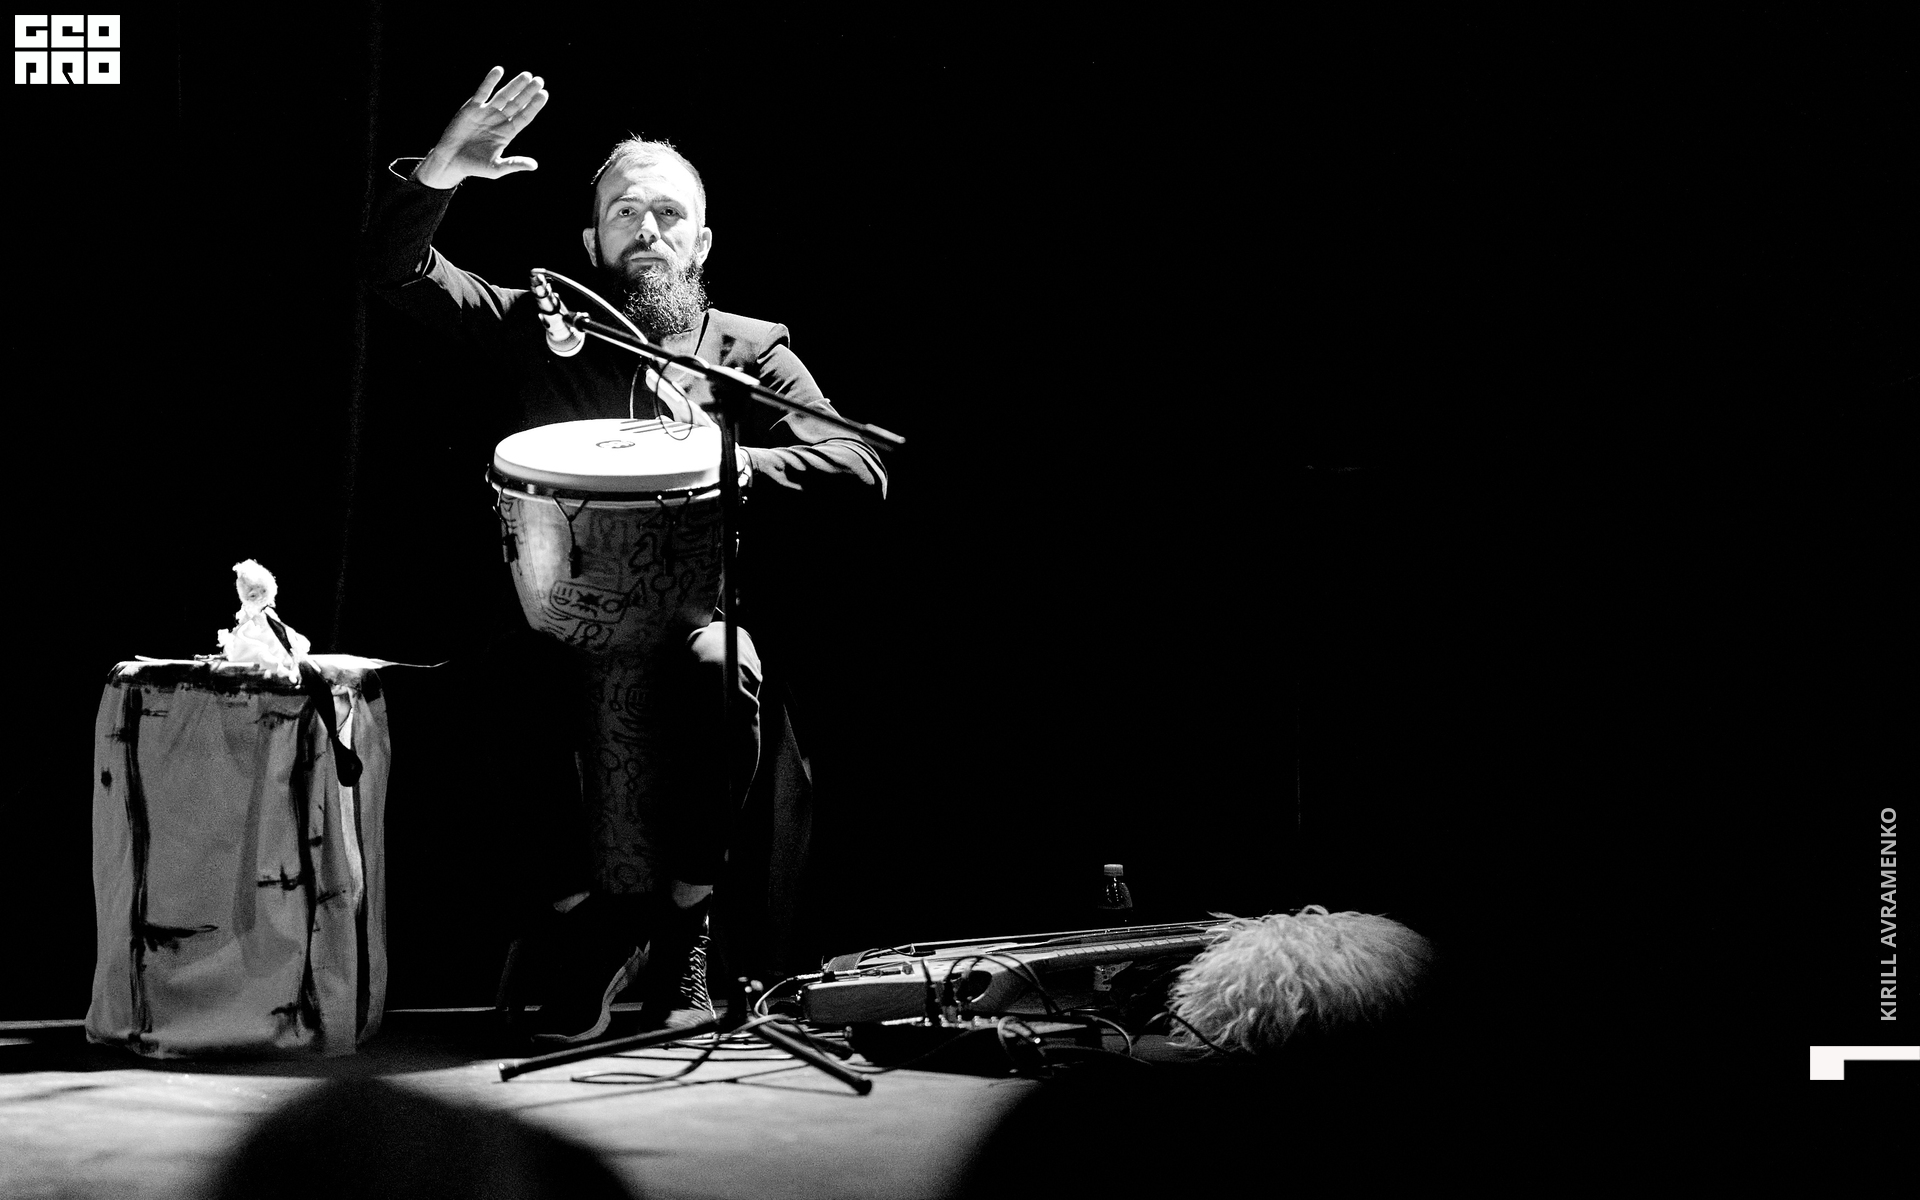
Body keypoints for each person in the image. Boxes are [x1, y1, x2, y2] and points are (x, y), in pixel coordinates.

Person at [362, 67, 886, 1044]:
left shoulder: (748, 350)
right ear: (591, 241)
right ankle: (586, 927)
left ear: (702, 241)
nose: (647, 229)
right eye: (624, 212)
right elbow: (394, 274)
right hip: (561, 616)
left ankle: (684, 922)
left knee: (720, 672)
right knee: (499, 683)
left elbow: (858, 463)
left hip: (689, 617)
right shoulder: (537, 323)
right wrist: (441, 172)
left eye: (668, 213)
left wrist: (734, 459)